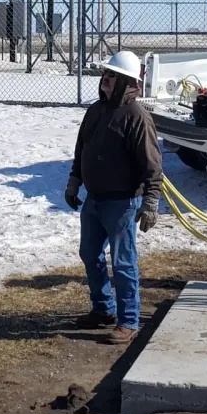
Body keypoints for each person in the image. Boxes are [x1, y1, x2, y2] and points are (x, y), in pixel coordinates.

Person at [64, 51, 162, 344]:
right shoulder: (95, 110)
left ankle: (128, 321)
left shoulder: (136, 117)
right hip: (94, 199)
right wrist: (74, 182)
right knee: (89, 254)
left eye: (112, 76)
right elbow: (82, 148)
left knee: (122, 262)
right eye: (105, 74)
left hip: (122, 203)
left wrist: (151, 202)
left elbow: (152, 164)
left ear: (126, 82)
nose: (105, 79)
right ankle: (103, 310)